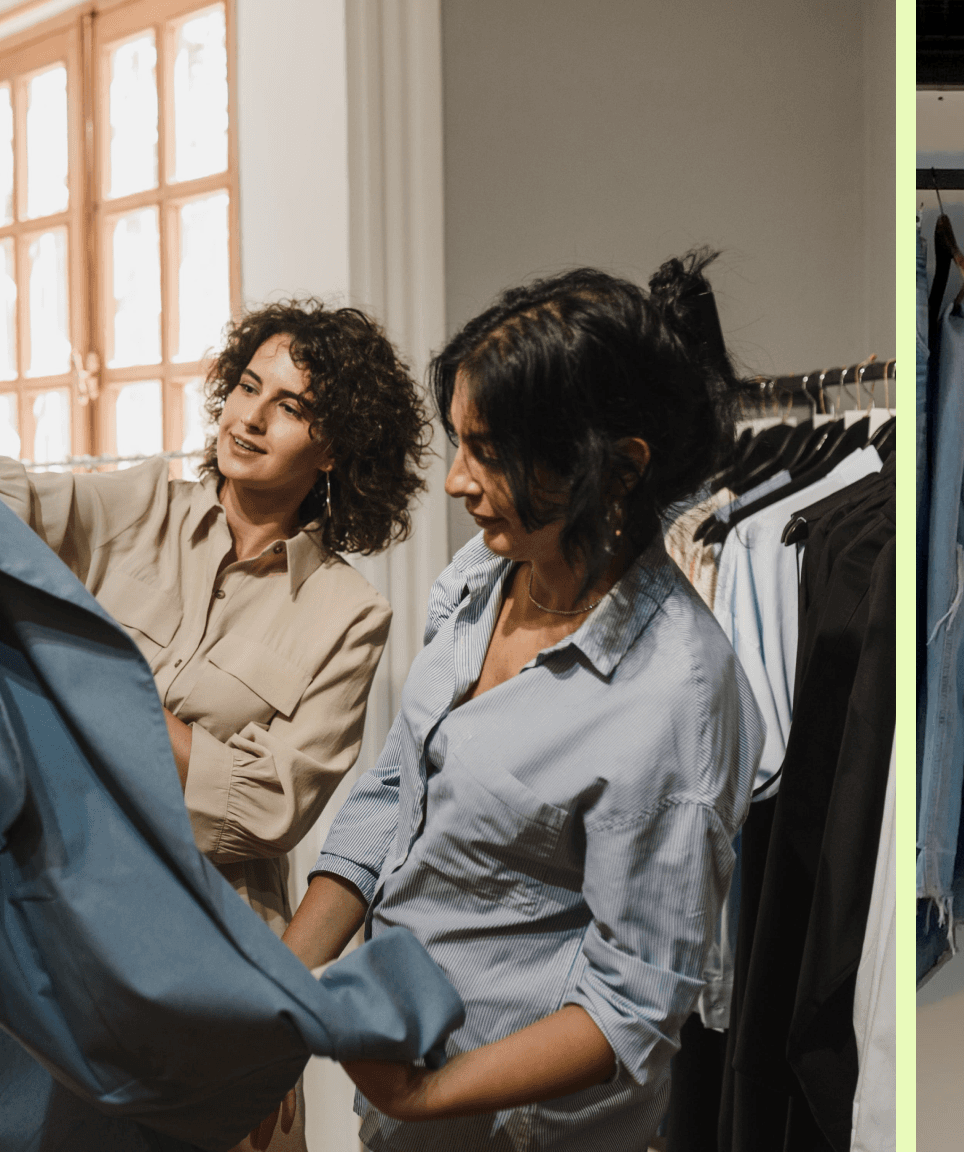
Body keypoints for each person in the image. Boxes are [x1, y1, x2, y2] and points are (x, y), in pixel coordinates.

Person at [0, 297, 432, 1152]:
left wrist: (98, 698)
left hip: (219, 954)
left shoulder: (350, 614)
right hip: (72, 921)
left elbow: (269, 807)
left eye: (291, 406)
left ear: (336, 448)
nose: (251, 417)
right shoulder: (140, 503)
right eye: (247, 387)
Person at [279, 250, 764, 1151]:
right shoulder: (485, 572)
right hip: (407, 1118)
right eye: (460, 443)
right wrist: (279, 996)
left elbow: (632, 1006)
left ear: (618, 469)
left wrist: (429, 1095)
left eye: (491, 455)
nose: (456, 480)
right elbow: (397, 790)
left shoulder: (673, 698)